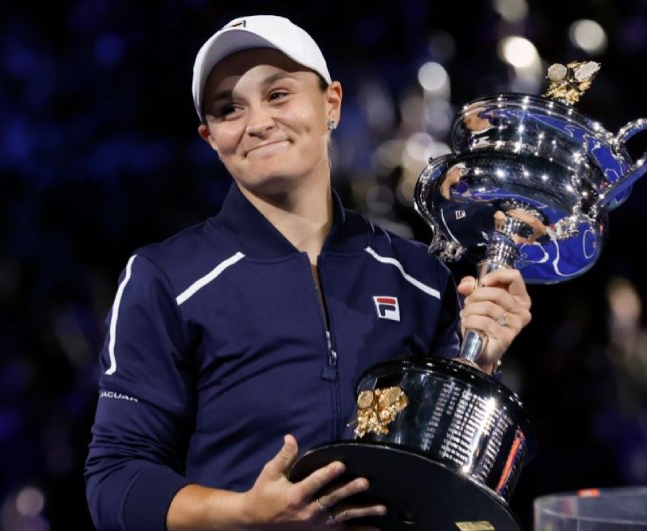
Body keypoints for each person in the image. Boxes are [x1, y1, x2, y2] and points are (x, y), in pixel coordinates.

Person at [84, 14, 533, 531]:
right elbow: (115, 480)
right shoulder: (164, 279)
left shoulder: (418, 276)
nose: (257, 123)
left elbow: (450, 484)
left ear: (331, 104)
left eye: (278, 94)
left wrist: (481, 362)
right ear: (210, 138)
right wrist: (245, 515)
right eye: (230, 109)